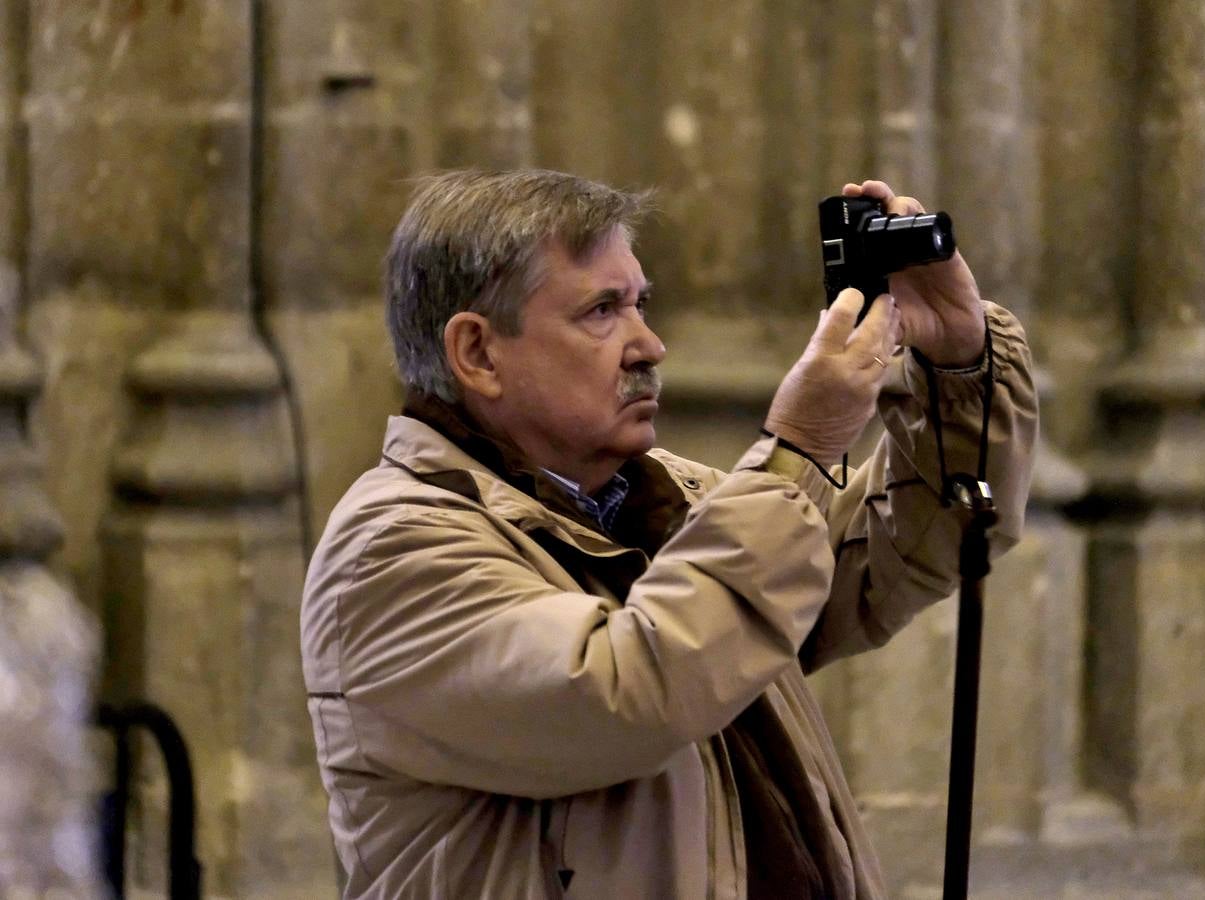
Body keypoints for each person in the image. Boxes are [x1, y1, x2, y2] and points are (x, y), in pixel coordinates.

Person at [301, 169, 1037, 899]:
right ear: (478, 353)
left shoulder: (664, 501)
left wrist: (958, 363)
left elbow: (910, 544)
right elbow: (631, 692)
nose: (649, 345)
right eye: (601, 312)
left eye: (641, 304)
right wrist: (802, 449)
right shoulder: (391, 549)